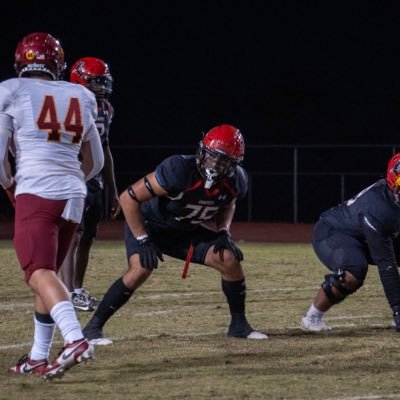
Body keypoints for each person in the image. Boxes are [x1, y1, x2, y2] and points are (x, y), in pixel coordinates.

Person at [83, 124, 267, 344]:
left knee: (229, 259)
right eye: (211, 157)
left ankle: (239, 327)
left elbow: (228, 203)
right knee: (141, 268)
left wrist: (223, 231)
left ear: (233, 165)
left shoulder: (237, 180)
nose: (214, 164)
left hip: (183, 230)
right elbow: (128, 198)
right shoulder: (179, 170)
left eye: (222, 161)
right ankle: (92, 329)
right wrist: (142, 239)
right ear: (201, 151)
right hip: (150, 226)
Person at [0, 32, 104, 379]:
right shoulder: (82, 95)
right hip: (74, 194)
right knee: (48, 276)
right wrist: (73, 180)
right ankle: (37, 356)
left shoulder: (11, 90)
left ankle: (75, 339)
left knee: (38, 272)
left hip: (37, 189)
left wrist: (11, 185)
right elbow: (98, 161)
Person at [300, 152, 400, 332]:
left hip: (368, 234)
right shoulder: (380, 209)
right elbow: (387, 264)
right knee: (353, 272)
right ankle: (312, 317)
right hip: (335, 232)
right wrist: (398, 310)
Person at [59, 57, 120, 312]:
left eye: (103, 82)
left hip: (93, 180)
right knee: (72, 234)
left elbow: (105, 148)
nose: (102, 87)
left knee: (87, 238)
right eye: (96, 81)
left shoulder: (105, 108)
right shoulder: (66, 103)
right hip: (71, 174)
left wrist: (113, 189)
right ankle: (68, 293)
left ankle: (78, 290)